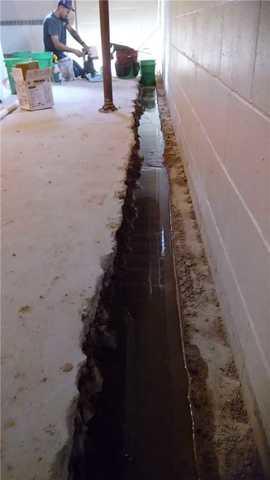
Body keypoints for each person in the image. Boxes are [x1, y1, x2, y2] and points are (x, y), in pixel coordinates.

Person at [43, 0, 102, 82]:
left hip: (61, 56)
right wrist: (74, 51)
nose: (68, 13)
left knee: (81, 71)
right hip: (53, 58)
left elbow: (72, 32)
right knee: (77, 73)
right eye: (67, 11)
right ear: (60, 7)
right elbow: (57, 44)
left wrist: (84, 45)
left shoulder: (62, 19)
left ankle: (89, 73)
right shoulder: (51, 20)